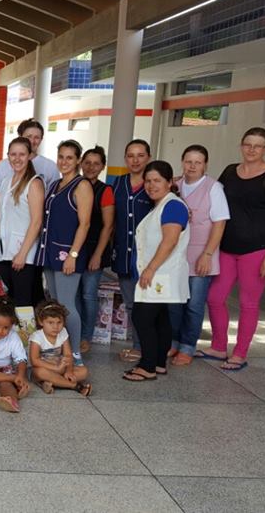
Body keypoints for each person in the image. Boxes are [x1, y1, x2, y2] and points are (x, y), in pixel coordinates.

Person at [205, 128, 265, 372]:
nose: (252, 150)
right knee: (215, 297)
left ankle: (240, 353)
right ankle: (218, 346)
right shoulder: (230, 172)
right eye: (248, 144)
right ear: (241, 145)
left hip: (256, 250)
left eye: (258, 146)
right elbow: (214, 198)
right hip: (226, 247)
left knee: (248, 303)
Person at [123, 161, 191, 382]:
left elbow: (170, 240)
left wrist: (151, 268)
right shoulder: (162, 205)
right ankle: (159, 363)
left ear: (169, 182)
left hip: (160, 273)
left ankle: (148, 366)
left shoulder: (173, 206)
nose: (151, 185)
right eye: (148, 181)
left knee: (142, 317)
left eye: (157, 181)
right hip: (160, 273)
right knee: (160, 318)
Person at [168, 145, 229, 365]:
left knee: (194, 305)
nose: (192, 166)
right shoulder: (174, 186)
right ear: (182, 162)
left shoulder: (214, 188)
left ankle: (187, 347)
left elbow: (219, 224)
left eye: (198, 162)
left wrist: (207, 254)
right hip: (176, 256)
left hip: (201, 255)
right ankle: (173, 342)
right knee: (174, 303)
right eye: (188, 161)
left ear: (205, 165)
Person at [35, 139, 92, 367]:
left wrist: (73, 255)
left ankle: (75, 353)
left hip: (68, 254)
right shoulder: (55, 185)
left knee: (67, 306)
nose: (64, 161)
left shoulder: (82, 186)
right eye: (61, 157)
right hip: (50, 251)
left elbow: (85, 224)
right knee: (56, 305)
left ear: (78, 160)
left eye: (69, 158)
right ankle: (61, 349)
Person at [111, 139, 154, 363]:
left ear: (148, 157)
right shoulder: (118, 184)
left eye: (140, 155)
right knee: (130, 303)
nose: (135, 160)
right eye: (130, 156)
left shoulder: (154, 184)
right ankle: (138, 345)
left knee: (148, 304)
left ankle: (148, 346)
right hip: (124, 255)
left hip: (149, 258)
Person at [0, 137, 44, 307]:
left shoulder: (34, 183)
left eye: (22, 154)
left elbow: (37, 222)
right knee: (6, 302)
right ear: (8, 156)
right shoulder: (6, 181)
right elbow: (2, 217)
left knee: (22, 304)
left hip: (23, 254)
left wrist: (22, 253)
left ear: (29, 156)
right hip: (3, 252)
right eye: (13, 154)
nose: (17, 158)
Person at [77, 145, 115, 353]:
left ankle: (86, 336)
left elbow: (108, 226)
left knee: (88, 295)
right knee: (74, 295)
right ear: (81, 164)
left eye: (96, 164)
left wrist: (98, 255)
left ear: (102, 167)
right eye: (87, 163)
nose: (91, 167)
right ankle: (73, 333)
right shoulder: (74, 185)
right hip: (74, 249)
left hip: (93, 250)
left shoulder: (105, 190)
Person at [29, 301, 92, 396]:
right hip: (44, 369)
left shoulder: (63, 332)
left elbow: (68, 354)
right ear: (41, 322)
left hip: (60, 368)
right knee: (40, 372)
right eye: (50, 322)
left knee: (84, 371)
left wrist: (69, 371)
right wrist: (56, 368)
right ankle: (74, 386)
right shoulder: (37, 337)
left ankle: (51, 382)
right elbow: (35, 361)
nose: (55, 327)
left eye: (59, 322)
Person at [0, 118, 61, 191]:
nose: (32, 141)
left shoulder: (50, 166)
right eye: (29, 137)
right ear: (20, 137)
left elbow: (54, 194)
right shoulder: (2, 166)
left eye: (37, 137)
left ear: (41, 139)